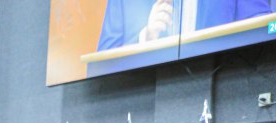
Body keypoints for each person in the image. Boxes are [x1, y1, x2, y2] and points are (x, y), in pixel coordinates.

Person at [97, 0, 273, 51]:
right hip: (140, 111)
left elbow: (266, 29)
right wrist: (146, 37)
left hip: (226, 101)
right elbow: (101, 67)